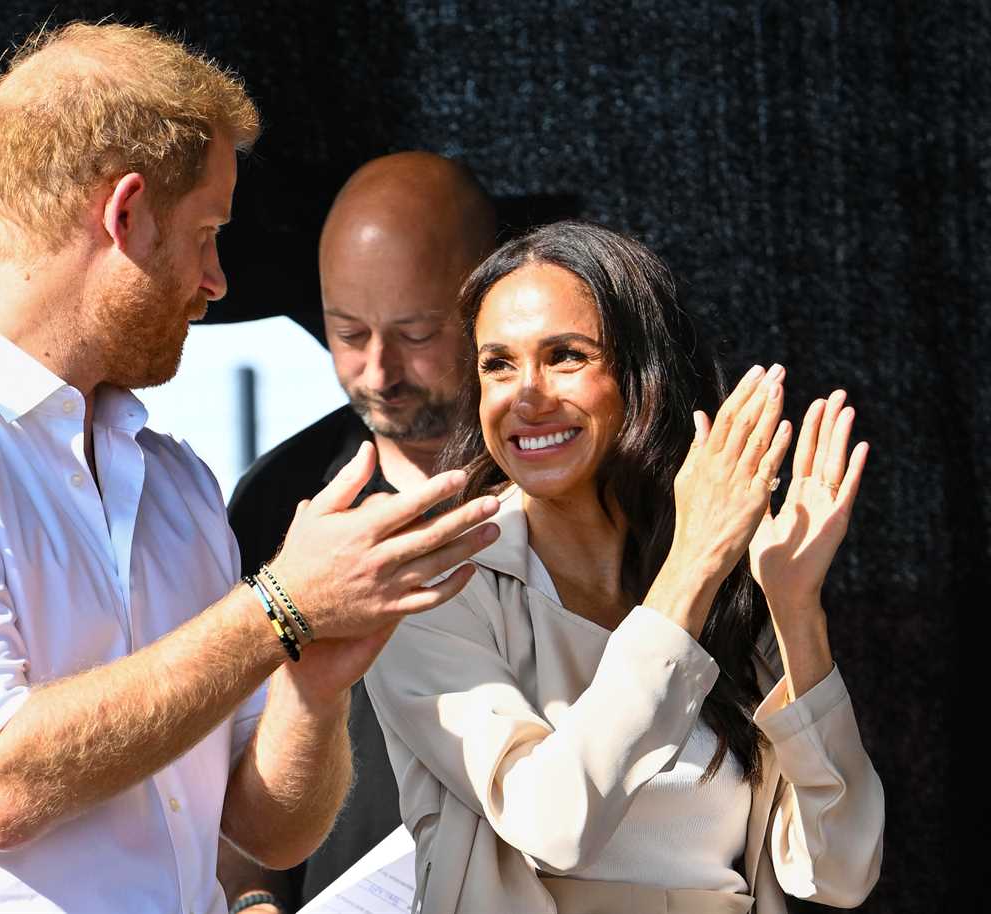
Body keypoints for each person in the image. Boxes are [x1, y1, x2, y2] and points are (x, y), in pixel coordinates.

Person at [0, 23, 503, 914]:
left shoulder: (178, 482)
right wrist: (280, 609)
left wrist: (314, 685)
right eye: (207, 233)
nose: (218, 278)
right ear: (124, 217)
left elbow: (266, 830)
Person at [365, 221, 885, 913]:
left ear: (645, 377)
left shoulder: (726, 584)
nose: (526, 394)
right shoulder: (433, 584)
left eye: (565, 356)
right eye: (498, 364)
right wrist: (690, 570)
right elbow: (555, 823)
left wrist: (794, 607)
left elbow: (842, 870)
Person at [221, 152, 497, 913]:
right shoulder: (280, 499)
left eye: (416, 333)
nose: (379, 371)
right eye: (348, 333)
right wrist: (251, 902)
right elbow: (223, 766)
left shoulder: (571, 477)